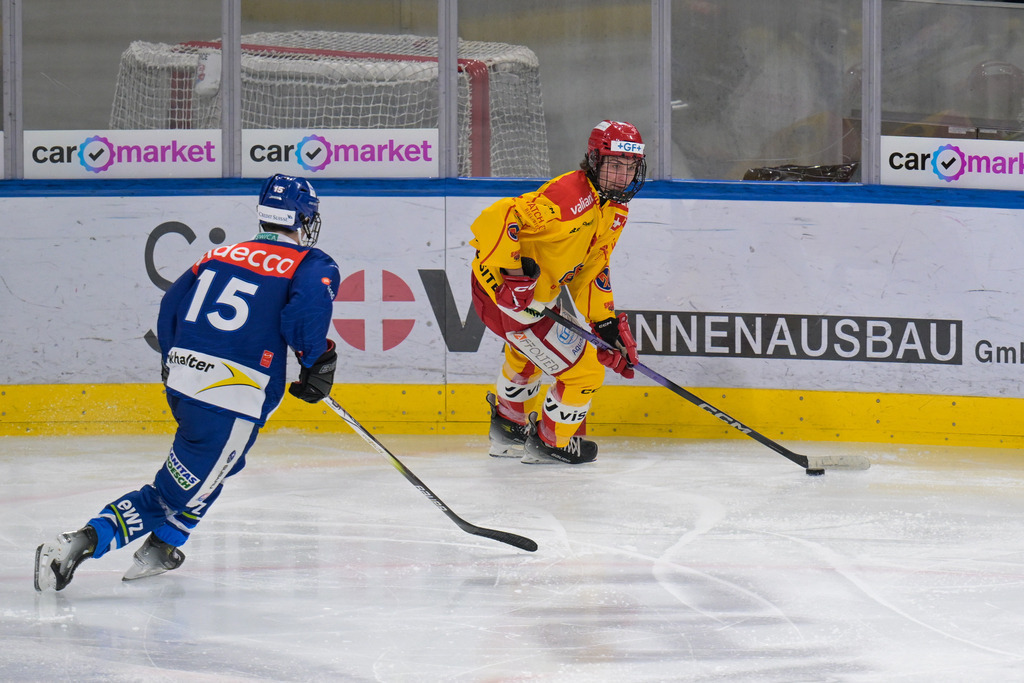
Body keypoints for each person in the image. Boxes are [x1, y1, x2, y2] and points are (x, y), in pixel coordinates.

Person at [34, 174, 341, 592]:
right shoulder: (311, 263)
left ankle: (164, 545)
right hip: (231, 395)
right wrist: (316, 362)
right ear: (303, 217)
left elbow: (170, 306)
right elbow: (304, 317)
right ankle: (81, 541)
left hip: (184, 382)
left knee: (218, 465)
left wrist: (173, 361)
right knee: (170, 495)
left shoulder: (218, 254)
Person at [469, 120, 646, 465]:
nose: (622, 176)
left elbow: (592, 268)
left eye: (629, 167)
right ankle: (551, 442)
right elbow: (497, 217)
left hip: (529, 301)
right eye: (613, 165)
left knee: (529, 356)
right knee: (585, 373)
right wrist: (514, 276)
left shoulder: (614, 209)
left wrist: (605, 323)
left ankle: (509, 428)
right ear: (594, 161)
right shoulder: (570, 198)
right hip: (503, 297)